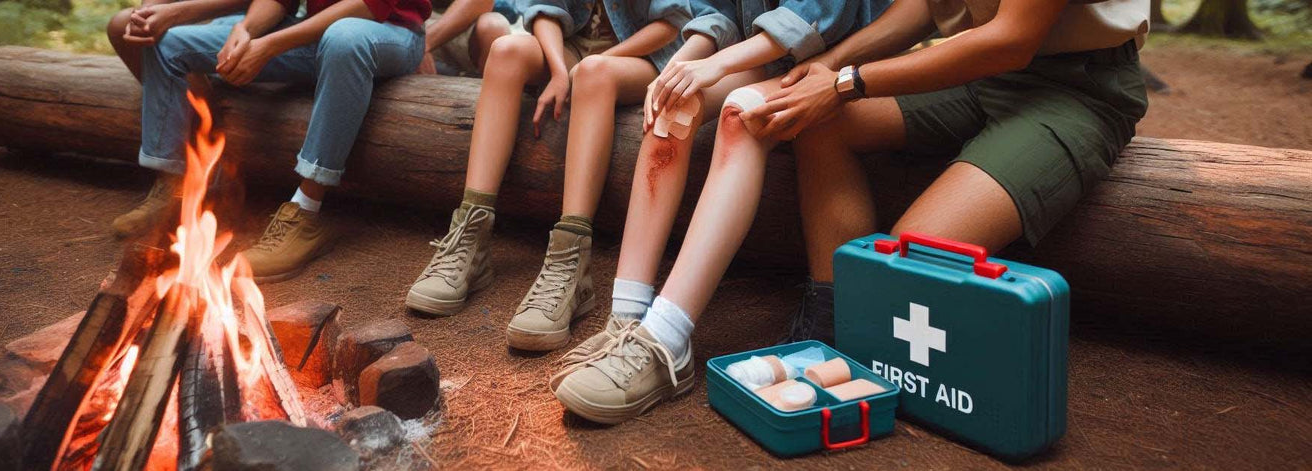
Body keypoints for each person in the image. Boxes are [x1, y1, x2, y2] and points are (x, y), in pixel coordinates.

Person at [548, 0, 891, 425]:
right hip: (769, 58)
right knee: (674, 105)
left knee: (740, 113)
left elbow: (813, 16)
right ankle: (627, 318)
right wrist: (679, 66)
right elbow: (716, 14)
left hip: (841, 64)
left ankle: (668, 341)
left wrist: (718, 65)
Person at [754, 0, 1149, 344]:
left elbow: (1012, 40)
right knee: (821, 120)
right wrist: (827, 66)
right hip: (977, 73)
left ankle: (874, 331)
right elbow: (925, 6)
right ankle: (833, 320)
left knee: (914, 253)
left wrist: (846, 83)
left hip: (1077, 88)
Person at [403, 0, 688, 349]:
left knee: (593, 72)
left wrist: (596, 63)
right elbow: (543, 10)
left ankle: (570, 263)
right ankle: (469, 237)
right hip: (574, 52)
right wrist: (558, 71)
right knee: (507, 49)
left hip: (646, 56)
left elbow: (671, 24)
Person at [109, 0, 432, 283]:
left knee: (345, 38)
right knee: (169, 45)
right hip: (315, 32)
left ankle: (305, 210)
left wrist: (270, 46)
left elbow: (367, 6)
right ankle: (179, 187)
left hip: (391, 34)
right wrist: (247, 30)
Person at [107, 0, 250, 81]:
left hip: (255, 17)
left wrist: (178, 13)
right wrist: (145, 15)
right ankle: (188, 106)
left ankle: (198, 116)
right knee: (121, 23)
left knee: (171, 43)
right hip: (202, 18)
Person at [421, 0, 522, 76]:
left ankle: (484, 91)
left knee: (495, 26)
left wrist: (423, 43)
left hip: (459, 19)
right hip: (414, 19)